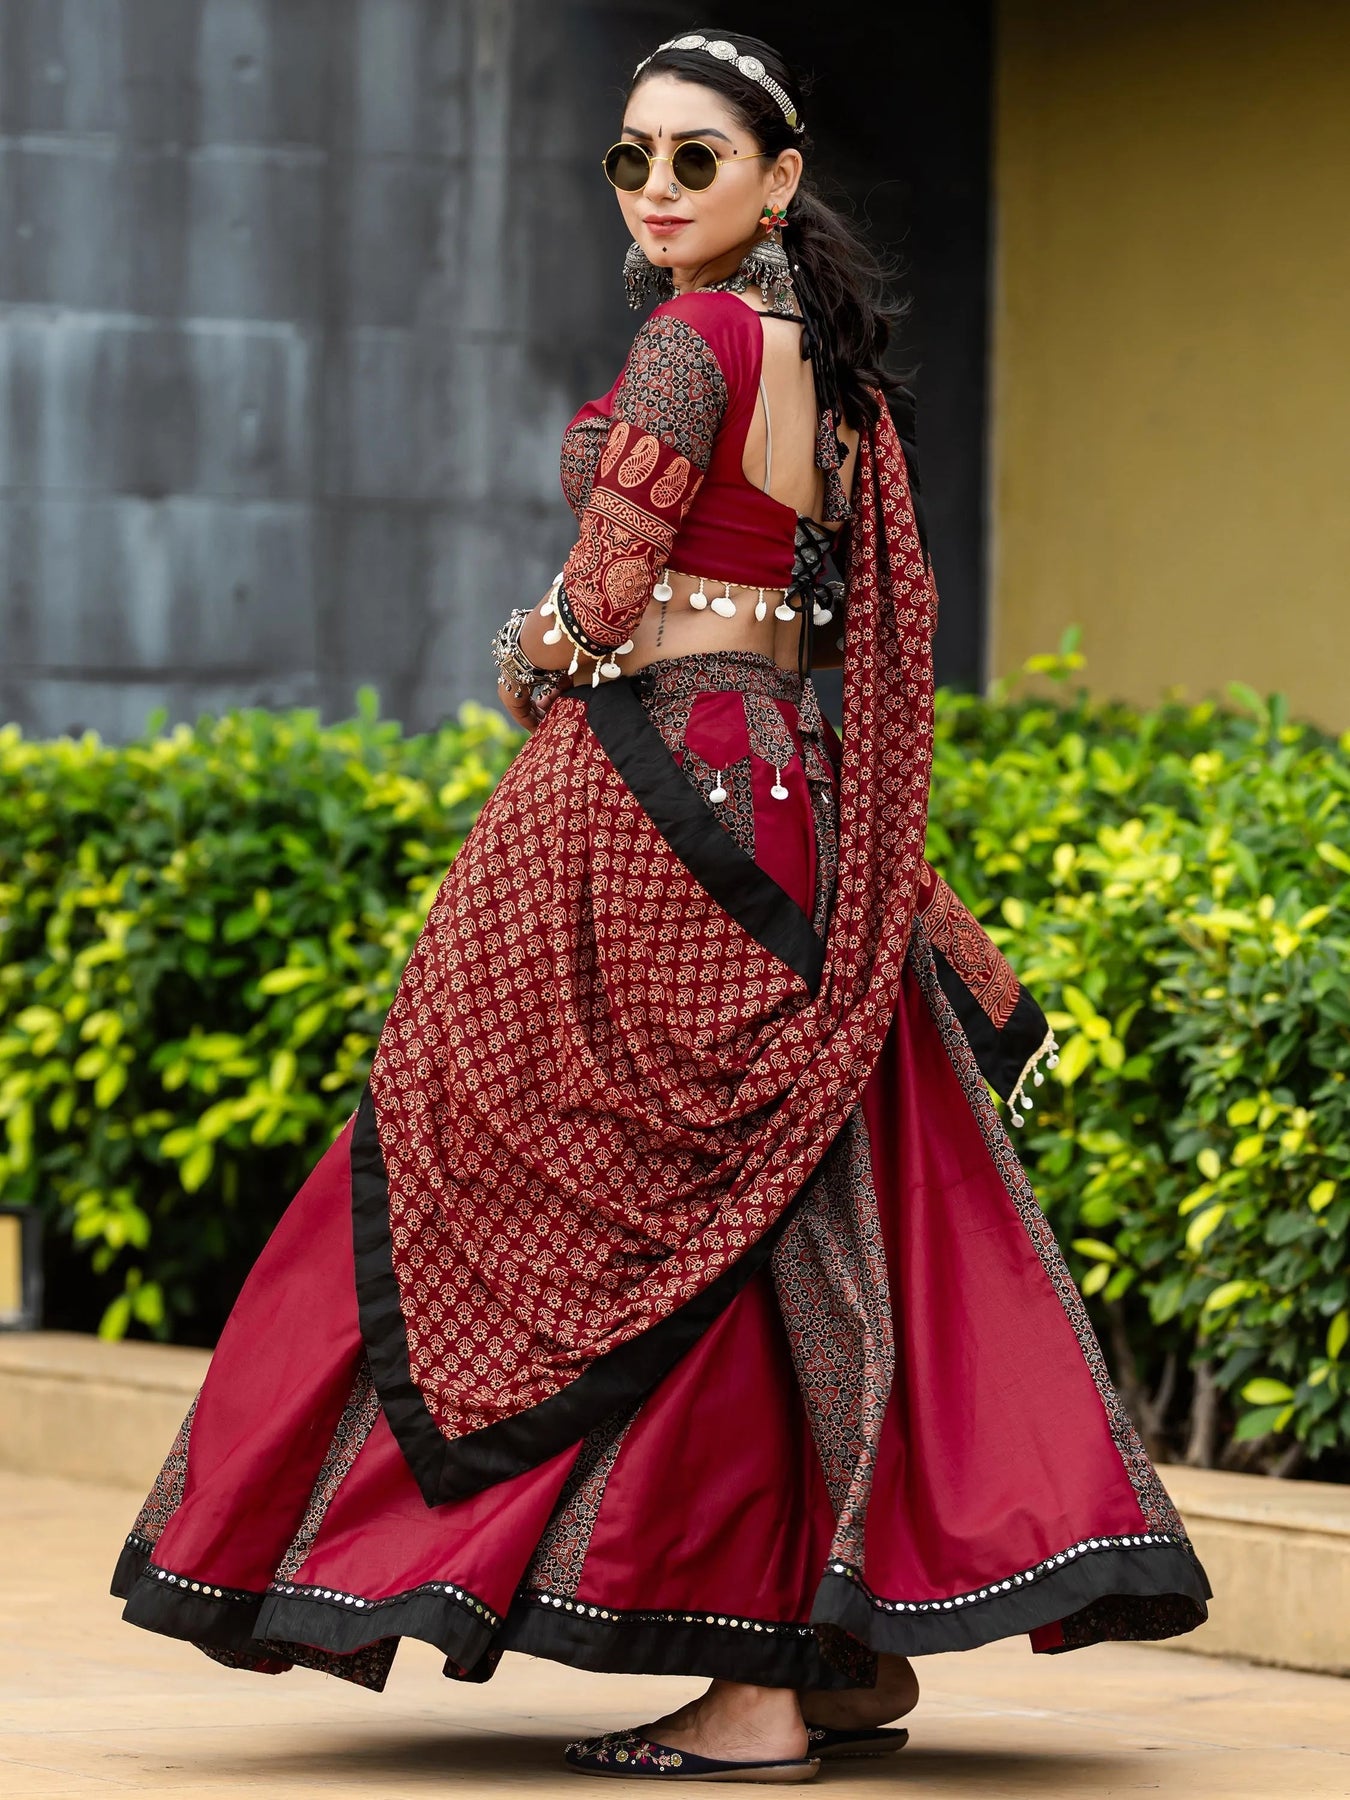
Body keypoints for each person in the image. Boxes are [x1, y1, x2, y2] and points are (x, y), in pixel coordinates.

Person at [111, 29, 1211, 1785]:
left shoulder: (694, 343)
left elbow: (603, 595)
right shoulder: (828, 371)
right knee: (775, 1207)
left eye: (697, 158)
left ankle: (752, 1689)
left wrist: (527, 650)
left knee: (590, 1186)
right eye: (630, 157)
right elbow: (827, 617)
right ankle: (830, 1651)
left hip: (655, 794)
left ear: (778, 179)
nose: (655, 188)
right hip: (783, 794)